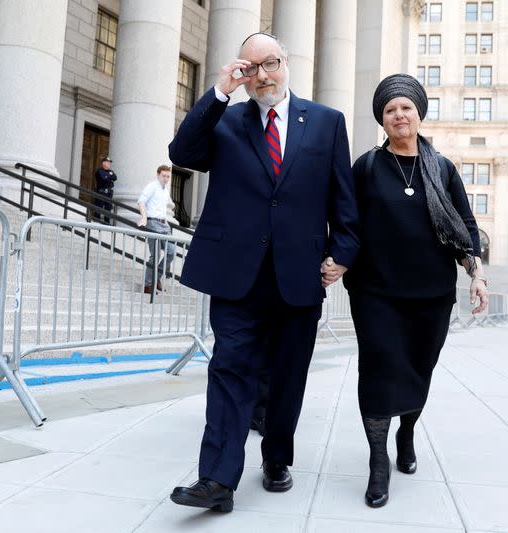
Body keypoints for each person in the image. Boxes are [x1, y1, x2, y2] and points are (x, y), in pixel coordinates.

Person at [167, 32, 359, 512]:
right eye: (251, 68)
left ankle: (276, 457)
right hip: (236, 275)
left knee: (287, 375)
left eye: (269, 63)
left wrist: (343, 252)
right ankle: (216, 479)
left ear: (286, 62)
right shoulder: (227, 121)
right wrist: (217, 92)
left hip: (300, 275)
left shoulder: (326, 122)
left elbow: (344, 202)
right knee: (229, 368)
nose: (262, 75)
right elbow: (183, 154)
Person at [342, 73, 488, 508]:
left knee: (418, 370)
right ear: (382, 120)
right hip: (375, 293)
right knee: (380, 369)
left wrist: (475, 273)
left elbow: (466, 226)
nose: (399, 115)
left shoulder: (442, 169)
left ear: (419, 114)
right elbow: (347, 224)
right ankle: (378, 461)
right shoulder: (366, 168)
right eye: (390, 110)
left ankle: (406, 431)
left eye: (406, 107)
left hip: (431, 294)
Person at [137, 165, 177, 295]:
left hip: (163, 225)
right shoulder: (152, 186)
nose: (166, 178)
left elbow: (161, 207)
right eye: (164, 176)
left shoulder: (165, 190)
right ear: (158, 175)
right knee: (155, 255)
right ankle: (148, 284)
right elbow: (141, 201)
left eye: (168, 176)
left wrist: (165, 220)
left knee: (171, 252)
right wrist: (144, 218)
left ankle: (157, 277)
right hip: (152, 223)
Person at [93, 156, 117, 224]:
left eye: (109, 163)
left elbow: (115, 177)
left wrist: (108, 176)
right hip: (101, 192)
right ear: (103, 163)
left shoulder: (110, 171)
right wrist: (109, 177)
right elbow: (104, 179)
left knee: (108, 208)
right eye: (108, 162)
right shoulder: (99, 171)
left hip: (108, 193)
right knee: (99, 207)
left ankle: (107, 223)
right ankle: (96, 222)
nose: (109, 164)